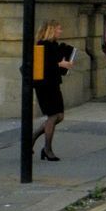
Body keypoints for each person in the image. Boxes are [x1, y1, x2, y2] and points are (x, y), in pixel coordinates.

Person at [32, 19, 73, 161]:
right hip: (44, 86)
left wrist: (64, 65)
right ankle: (47, 149)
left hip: (54, 83)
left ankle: (32, 138)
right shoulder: (41, 46)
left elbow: (56, 66)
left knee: (59, 116)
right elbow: (40, 69)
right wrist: (59, 64)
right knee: (53, 116)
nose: (60, 31)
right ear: (51, 30)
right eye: (59, 29)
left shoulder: (54, 45)